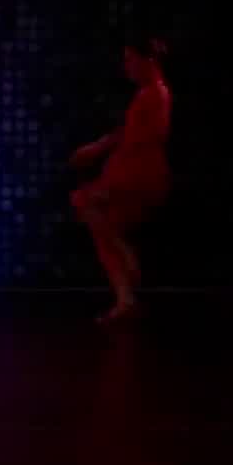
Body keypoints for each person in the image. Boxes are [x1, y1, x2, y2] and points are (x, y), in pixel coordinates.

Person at [70, 38, 172, 323]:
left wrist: (102, 148)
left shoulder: (157, 94)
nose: (126, 66)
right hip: (127, 168)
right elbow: (125, 132)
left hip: (139, 173)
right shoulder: (145, 94)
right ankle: (125, 299)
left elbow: (152, 135)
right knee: (101, 229)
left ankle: (125, 254)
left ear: (147, 60)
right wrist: (96, 147)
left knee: (86, 203)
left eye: (130, 59)